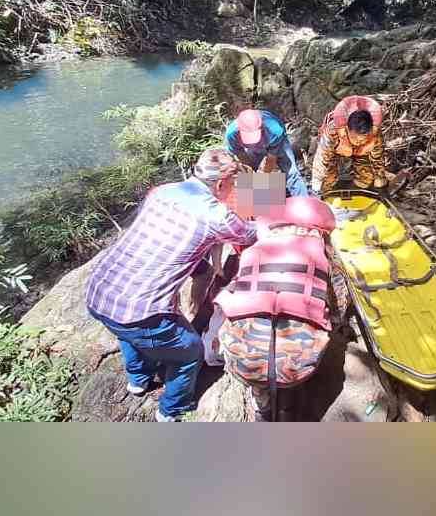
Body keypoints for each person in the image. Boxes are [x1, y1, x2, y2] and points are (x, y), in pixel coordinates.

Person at [84, 147, 257, 422]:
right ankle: (171, 411)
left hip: (99, 292)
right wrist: (272, 225)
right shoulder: (216, 214)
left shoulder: (163, 191)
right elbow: (248, 234)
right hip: (141, 310)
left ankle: (138, 381)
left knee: (126, 329)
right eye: (234, 185)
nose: (235, 190)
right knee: (190, 352)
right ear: (222, 184)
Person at [214, 195, 338, 421]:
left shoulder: (252, 254)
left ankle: (262, 403)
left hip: (243, 357)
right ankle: (287, 402)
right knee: (292, 360)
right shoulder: (319, 257)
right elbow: (331, 304)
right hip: (299, 363)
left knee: (256, 360)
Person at [311, 95, 390, 195]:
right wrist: (316, 185)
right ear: (347, 129)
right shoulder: (333, 131)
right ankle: (329, 195)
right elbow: (321, 159)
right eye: (356, 138)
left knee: (366, 180)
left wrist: (380, 177)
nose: (359, 142)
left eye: (363, 139)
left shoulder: (375, 135)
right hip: (337, 148)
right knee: (326, 182)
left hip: (362, 153)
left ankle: (358, 192)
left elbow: (378, 158)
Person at [225, 108, 310, 198]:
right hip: (254, 150)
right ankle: (257, 205)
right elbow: (240, 155)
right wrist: (251, 174)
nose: (253, 142)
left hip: (277, 143)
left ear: (261, 127)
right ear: (239, 130)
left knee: (291, 173)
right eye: (248, 138)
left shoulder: (274, 129)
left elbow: (271, 160)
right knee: (247, 178)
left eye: (254, 137)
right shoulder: (231, 135)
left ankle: (303, 203)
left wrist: (262, 180)